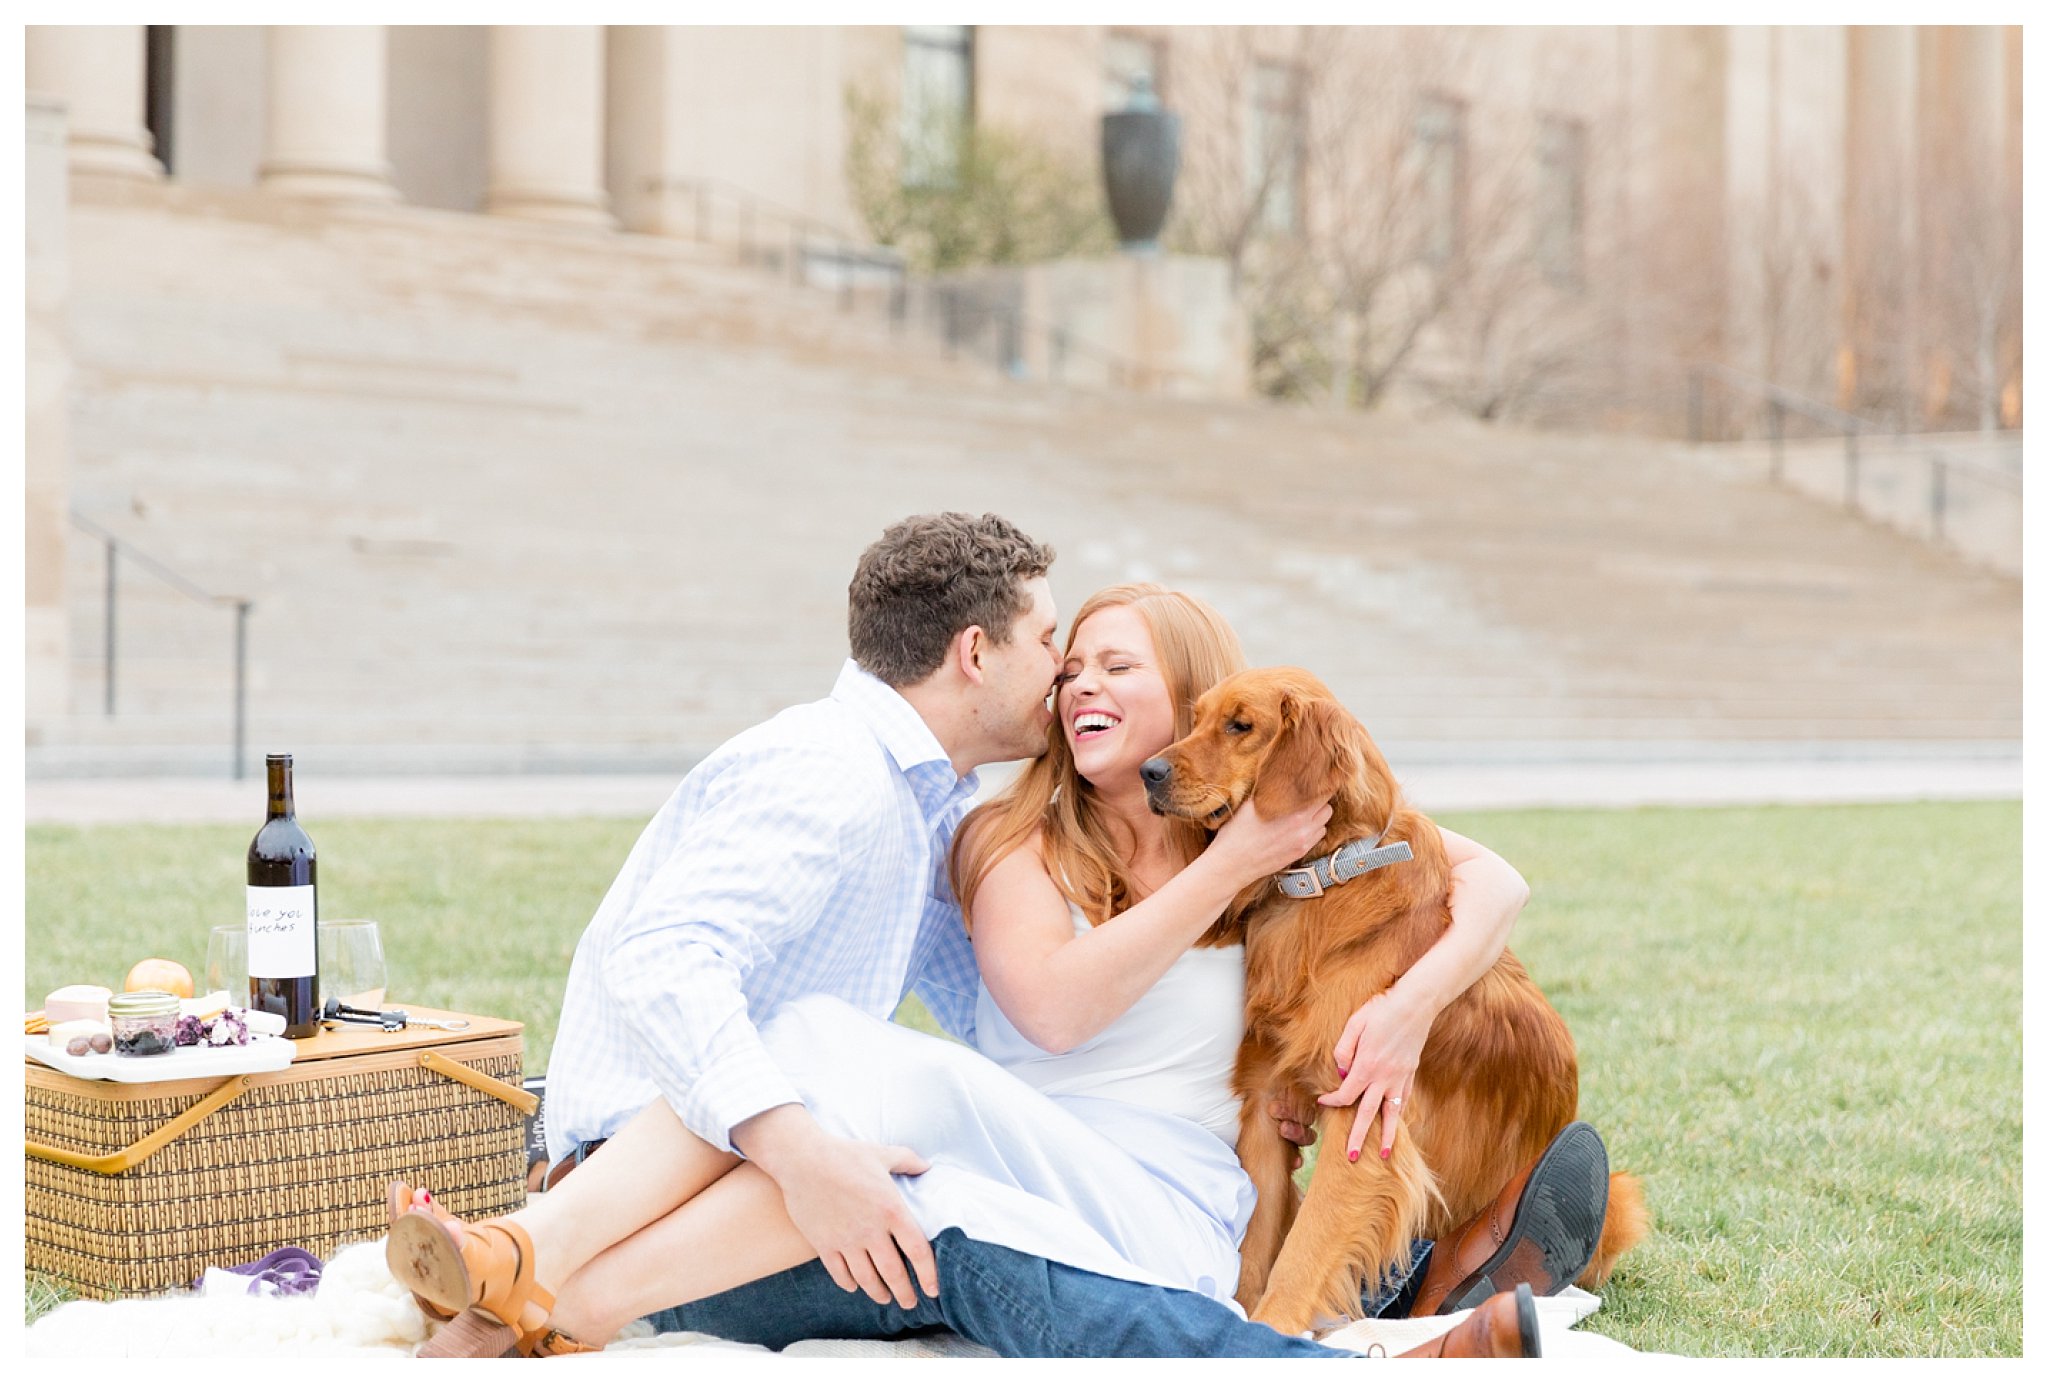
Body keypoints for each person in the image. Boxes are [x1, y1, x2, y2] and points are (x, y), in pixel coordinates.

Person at [389, 542, 1592, 1357]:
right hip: (1045, 1161)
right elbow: (1053, 1015)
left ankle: (521, 1281)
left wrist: (1408, 1005)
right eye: (1067, 664)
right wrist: (1231, 869)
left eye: (1115, 665)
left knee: (851, 1120)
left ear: (1193, 695)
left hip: (1180, 1196)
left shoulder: (1270, 820)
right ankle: (540, 1293)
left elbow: (1487, 877)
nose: (1076, 686)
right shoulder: (1000, 835)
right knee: (889, 1172)